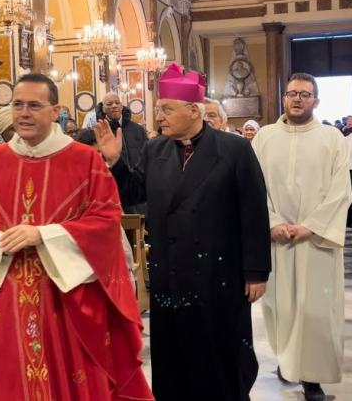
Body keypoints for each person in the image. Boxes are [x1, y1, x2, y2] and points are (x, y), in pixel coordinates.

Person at [0, 73, 152, 401]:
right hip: (7, 294)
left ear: (55, 110)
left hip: (66, 297)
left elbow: (105, 220)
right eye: (17, 105)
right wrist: (0, 242)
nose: (24, 113)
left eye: (34, 105)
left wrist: (43, 235)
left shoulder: (84, 160)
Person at [95, 63, 271, 401]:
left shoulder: (234, 150)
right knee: (174, 357)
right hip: (170, 273)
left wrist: (256, 272)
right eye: (159, 109)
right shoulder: (155, 150)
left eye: (166, 109)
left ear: (195, 110)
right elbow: (133, 193)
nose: (158, 116)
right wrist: (115, 163)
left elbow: (253, 213)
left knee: (220, 355)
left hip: (218, 274)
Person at [252, 73, 351, 401]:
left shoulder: (332, 137)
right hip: (276, 239)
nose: (297, 99)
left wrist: (312, 225)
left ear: (316, 101)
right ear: (283, 98)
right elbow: (253, 189)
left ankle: (312, 378)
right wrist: (272, 222)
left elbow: (341, 191)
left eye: (305, 95)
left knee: (316, 309)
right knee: (281, 306)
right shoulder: (264, 137)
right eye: (292, 93)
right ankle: (289, 360)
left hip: (316, 240)